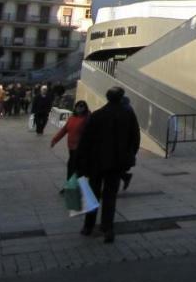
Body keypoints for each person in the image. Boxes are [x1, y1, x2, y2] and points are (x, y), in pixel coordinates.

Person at [76, 86, 141, 243]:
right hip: (116, 163)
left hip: (96, 163)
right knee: (110, 197)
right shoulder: (128, 115)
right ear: (121, 98)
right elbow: (135, 137)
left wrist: (80, 162)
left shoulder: (97, 115)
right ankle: (108, 228)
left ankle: (88, 226)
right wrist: (129, 155)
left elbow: (85, 141)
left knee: (93, 195)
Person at [50, 100, 90, 181]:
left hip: (80, 148)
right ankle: (70, 185)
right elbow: (64, 130)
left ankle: (74, 186)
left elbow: (89, 134)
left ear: (85, 108)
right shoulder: (72, 118)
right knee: (71, 167)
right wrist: (55, 140)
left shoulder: (87, 119)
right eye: (78, 106)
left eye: (82, 106)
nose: (80, 108)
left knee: (75, 167)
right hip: (71, 147)